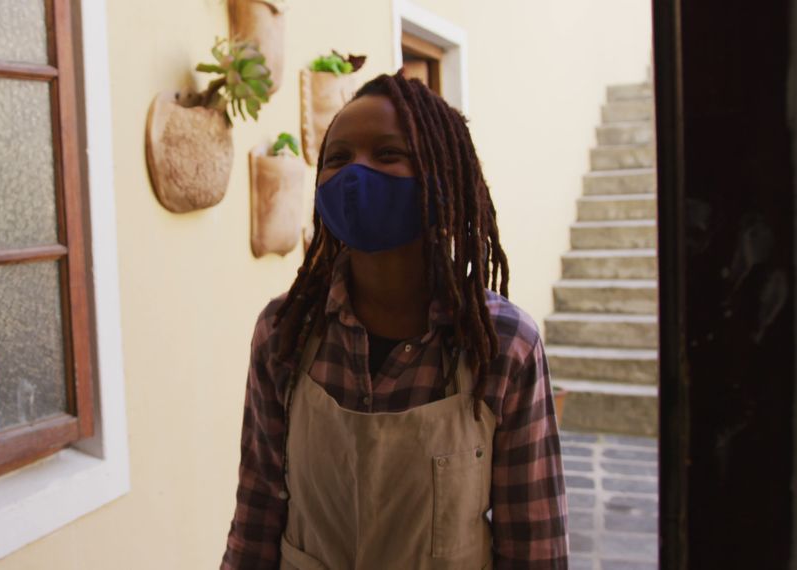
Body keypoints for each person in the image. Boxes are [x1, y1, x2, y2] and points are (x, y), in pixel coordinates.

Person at [221, 72, 569, 569]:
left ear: (442, 181)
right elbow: (256, 510)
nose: (354, 175)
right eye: (337, 158)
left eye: (387, 154)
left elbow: (534, 546)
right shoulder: (285, 330)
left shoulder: (503, 343)